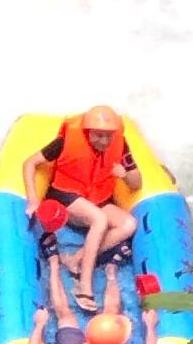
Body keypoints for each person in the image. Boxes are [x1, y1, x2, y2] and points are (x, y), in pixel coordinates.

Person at [25, 105, 142, 285]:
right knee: (99, 219)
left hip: (98, 198)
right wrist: (33, 199)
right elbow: (30, 163)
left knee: (128, 224)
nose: (104, 141)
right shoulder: (65, 142)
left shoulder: (120, 144)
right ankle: (85, 286)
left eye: (108, 136)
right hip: (66, 196)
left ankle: (76, 258)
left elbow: (137, 183)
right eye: (98, 135)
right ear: (87, 132)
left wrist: (125, 175)